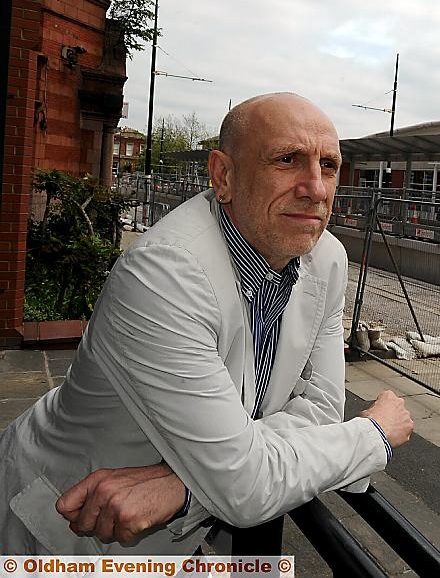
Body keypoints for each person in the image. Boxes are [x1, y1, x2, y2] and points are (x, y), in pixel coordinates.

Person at [0, 92, 413, 554]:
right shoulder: (163, 273)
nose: (316, 188)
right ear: (224, 175)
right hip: (67, 528)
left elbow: (319, 410)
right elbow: (247, 487)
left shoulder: (327, 258)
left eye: (329, 166)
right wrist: (373, 433)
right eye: (286, 160)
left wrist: (186, 487)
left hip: (169, 540)